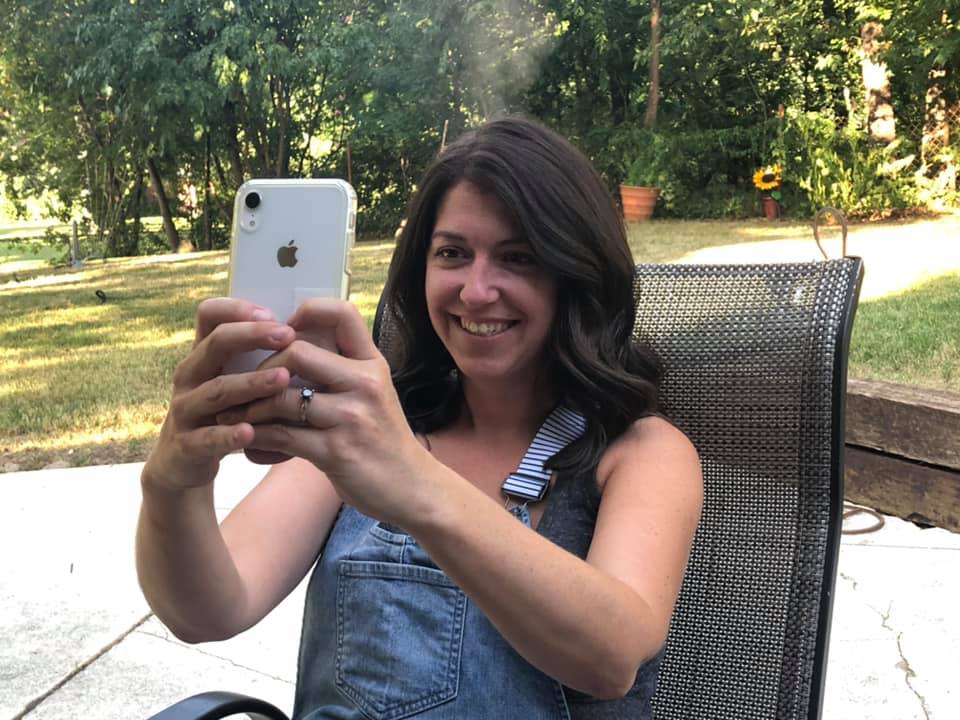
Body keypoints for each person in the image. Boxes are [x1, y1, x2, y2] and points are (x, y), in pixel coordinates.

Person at [136, 117, 702, 719]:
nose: (476, 291)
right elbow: (208, 610)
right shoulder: (365, 428)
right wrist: (172, 482)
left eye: (518, 258)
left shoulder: (641, 452)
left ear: (576, 274)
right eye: (452, 253)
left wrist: (412, 482)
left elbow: (611, 658)